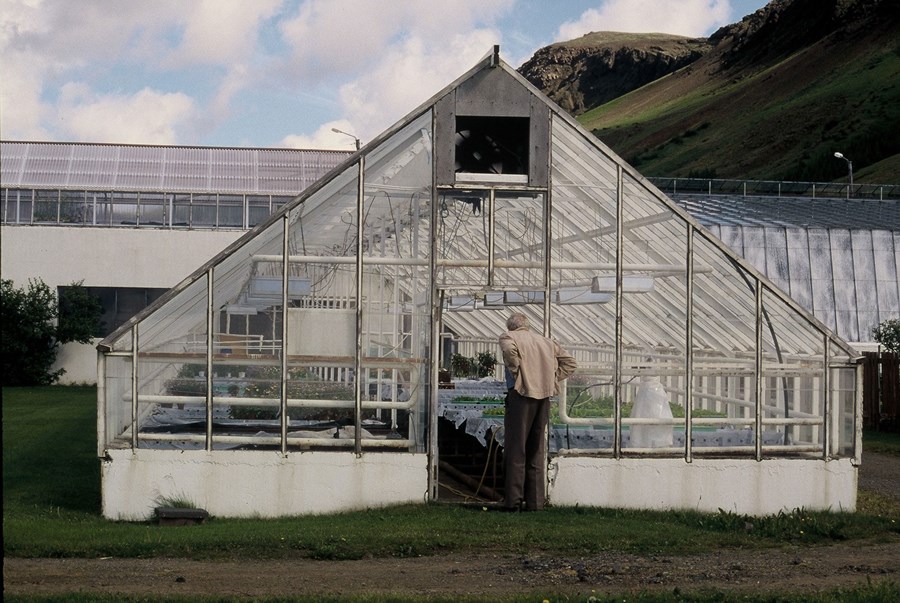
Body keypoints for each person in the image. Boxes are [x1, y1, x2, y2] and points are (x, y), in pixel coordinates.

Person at [498, 312, 577, 511]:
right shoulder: (546, 341)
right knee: (536, 448)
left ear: (511, 327)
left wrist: (519, 375)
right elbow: (570, 363)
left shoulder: (509, 337)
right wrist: (551, 378)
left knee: (516, 449)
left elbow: (509, 352)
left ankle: (513, 502)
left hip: (521, 395)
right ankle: (535, 502)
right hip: (544, 396)